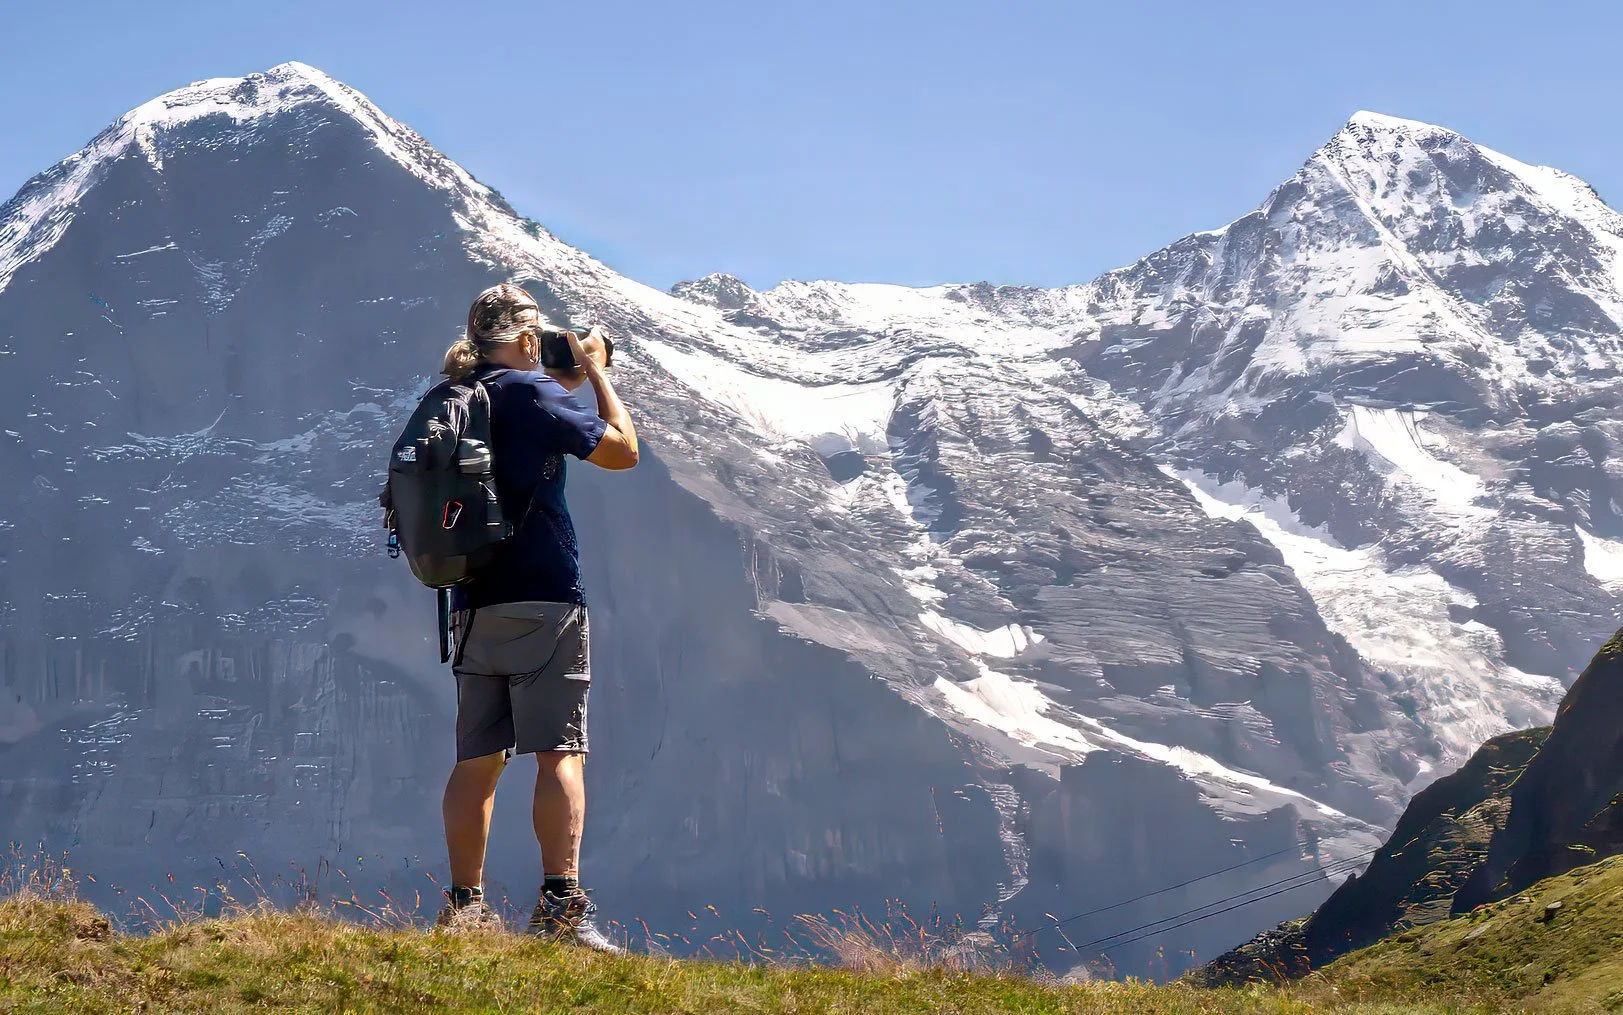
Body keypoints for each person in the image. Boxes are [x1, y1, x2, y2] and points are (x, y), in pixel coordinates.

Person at [432, 283, 638, 950]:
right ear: (525, 340)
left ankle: (464, 907)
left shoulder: (455, 398)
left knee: (476, 760)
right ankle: (560, 908)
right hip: (544, 599)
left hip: (468, 604)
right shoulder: (530, 394)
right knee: (558, 753)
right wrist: (597, 373)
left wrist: (557, 376)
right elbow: (620, 449)